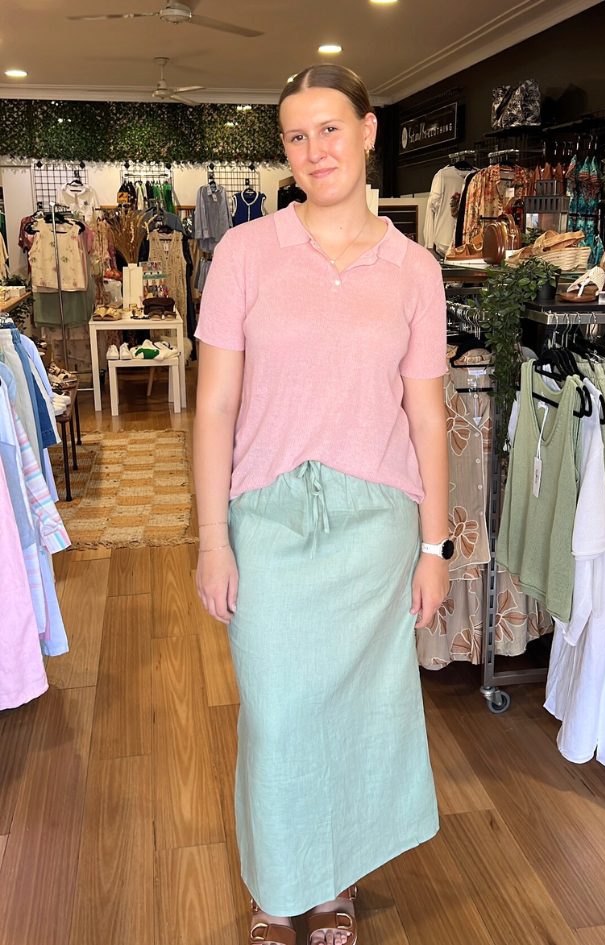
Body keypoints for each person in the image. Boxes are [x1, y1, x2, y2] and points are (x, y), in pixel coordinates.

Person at [193, 63, 451, 945]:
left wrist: (434, 548)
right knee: (276, 716)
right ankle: (277, 891)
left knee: (358, 712)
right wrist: (213, 538)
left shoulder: (415, 269)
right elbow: (215, 405)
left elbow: (427, 414)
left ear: (368, 131)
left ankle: (336, 879)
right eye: (297, 136)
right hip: (266, 519)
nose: (316, 150)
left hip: (376, 528)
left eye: (331, 128)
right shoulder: (245, 253)